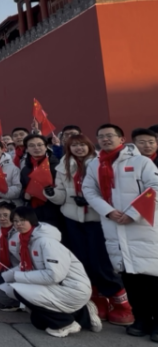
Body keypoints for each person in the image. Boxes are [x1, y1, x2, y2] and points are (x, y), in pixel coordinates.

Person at [46, 133, 130, 325]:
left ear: (89, 146)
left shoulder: (100, 162)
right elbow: (61, 197)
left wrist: (91, 202)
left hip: (96, 219)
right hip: (72, 219)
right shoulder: (63, 166)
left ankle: (121, 303)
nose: (79, 148)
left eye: (82, 145)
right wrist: (51, 193)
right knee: (82, 261)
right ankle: (96, 300)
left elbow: (109, 191)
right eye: (74, 145)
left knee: (101, 262)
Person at [83, 124, 158, 338]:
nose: (105, 139)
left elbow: (155, 187)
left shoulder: (140, 161)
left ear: (121, 139)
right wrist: (108, 211)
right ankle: (141, 319)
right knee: (129, 278)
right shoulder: (95, 164)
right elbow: (89, 190)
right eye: (101, 136)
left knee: (151, 277)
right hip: (114, 226)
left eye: (110, 136)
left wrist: (133, 213)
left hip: (142, 225)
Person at [0, 207, 101, 338]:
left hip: (71, 288)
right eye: (15, 221)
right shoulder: (27, 240)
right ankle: (84, 313)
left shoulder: (47, 242)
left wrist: (16, 276)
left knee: (17, 290)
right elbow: (27, 266)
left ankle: (65, 323)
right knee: (38, 321)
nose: (18, 224)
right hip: (58, 287)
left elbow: (54, 275)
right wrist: (6, 276)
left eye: (22, 220)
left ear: (32, 220)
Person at [19, 135, 63, 231]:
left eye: (39, 145)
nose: (36, 148)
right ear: (27, 149)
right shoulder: (25, 170)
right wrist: (25, 195)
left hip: (55, 211)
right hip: (33, 211)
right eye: (31, 145)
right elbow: (22, 189)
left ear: (46, 147)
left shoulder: (56, 166)